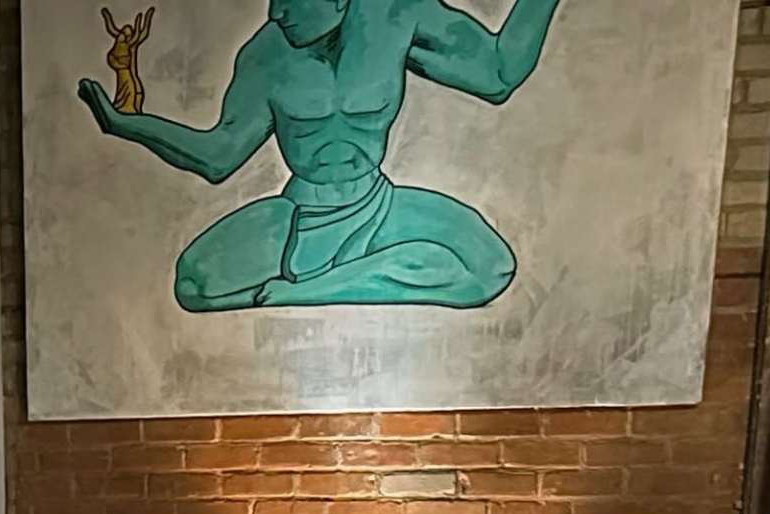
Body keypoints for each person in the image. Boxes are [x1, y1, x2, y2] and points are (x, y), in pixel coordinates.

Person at [78, 0, 562, 314]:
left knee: (491, 267)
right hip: (300, 219)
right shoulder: (265, 54)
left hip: (380, 207)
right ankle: (345, 275)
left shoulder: (398, 15)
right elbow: (219, 156)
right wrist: (128, 125)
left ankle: (309, 290)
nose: (276, 12)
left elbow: (497, 75)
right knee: (193, 284)